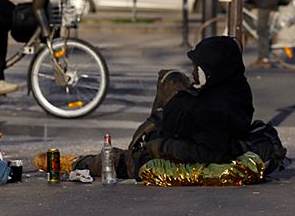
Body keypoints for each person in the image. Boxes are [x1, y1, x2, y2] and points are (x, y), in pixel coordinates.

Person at [67, 36, 255, 180]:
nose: (193, 72)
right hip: (180, 131)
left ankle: (79, 163)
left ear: (213, 70)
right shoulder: (235, 87)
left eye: (198, 68)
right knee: (170, 79)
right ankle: (153, 125)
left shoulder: (213, 110)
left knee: (115, 161)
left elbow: (209, 153)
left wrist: (163, 146)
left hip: (168, 150)